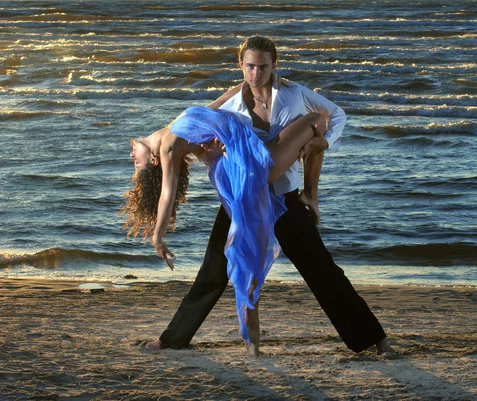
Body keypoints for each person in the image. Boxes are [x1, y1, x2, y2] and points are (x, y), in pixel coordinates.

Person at [144, 36, 393, 356]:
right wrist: (172, 150)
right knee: (213, 274)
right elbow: (191, 123)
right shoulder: (231, 103)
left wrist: (325, 142)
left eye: (263, 66)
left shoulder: (295, 94)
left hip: (285, 201)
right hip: (241, 204)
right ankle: (171, 340)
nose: (256, 73)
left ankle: (375, 338)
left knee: (322, 271)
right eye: (249, 66)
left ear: (275, 64)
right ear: (240, 65)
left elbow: (337, 114)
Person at [123, 105, 327, 354]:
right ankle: (311, 194)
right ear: (154, 160)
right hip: (247, 164)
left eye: (134, 161)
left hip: (242, 160)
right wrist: (157, 238)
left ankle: (251, 344)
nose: (132, 158)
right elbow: (168, 193)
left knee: (246, 255)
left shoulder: (174, 129)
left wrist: (239, 88)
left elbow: (217, 105)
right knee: (243, 255)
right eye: (138, 165)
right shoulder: (168, 146)